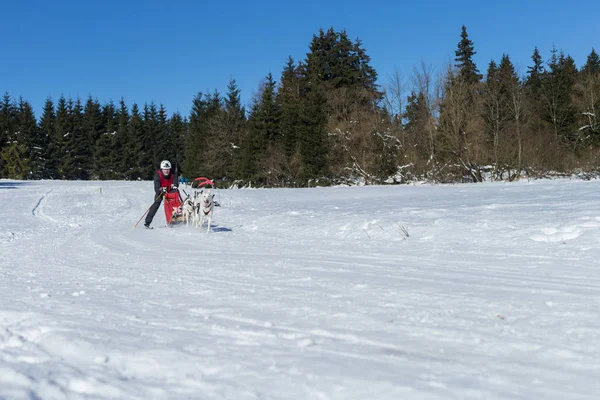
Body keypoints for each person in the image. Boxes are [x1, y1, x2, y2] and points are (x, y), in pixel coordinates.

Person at [144, 160, 178, 228]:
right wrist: (161, 189)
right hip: (160, 192)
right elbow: (156, 188)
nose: (166, 171)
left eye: (168, 169)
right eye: (164, 169)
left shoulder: (173, 174)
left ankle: (173, 220)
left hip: (170, 191)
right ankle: (147, 222)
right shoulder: (158, 175)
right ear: (162, 169)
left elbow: (176, 182)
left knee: (173, 204)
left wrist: (175, 186)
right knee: (156, 204)